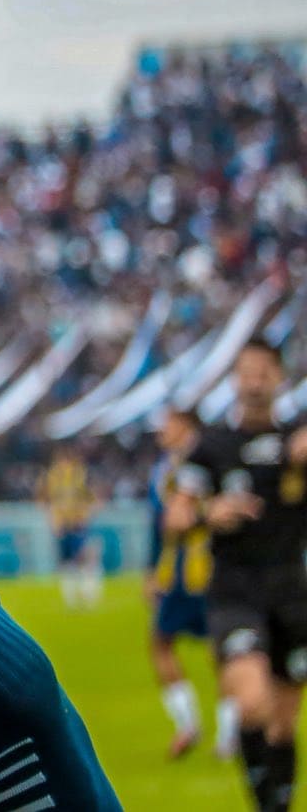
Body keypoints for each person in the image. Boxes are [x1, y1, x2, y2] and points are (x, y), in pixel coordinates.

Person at [170, 338, 307, 812]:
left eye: (262, 373)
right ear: (234, 379)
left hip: (292, 592)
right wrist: (211, 510)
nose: (253, 382)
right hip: (235, 592)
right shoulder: (211, 446)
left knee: (284, 724)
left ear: (279, 378)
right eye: (245, 373)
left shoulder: (298, 439)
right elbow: (176, 518)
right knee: (252, 703)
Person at [147, 407, 222, 760]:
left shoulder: (199, 464)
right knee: (167, 643)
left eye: (169, 424)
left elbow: (170, 522)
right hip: (177, 571)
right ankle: (207, 730)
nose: (163, 431)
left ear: (187, 427)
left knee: (220, 648)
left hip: (202, 569)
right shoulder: (166, 468)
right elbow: (158, 527)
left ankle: (209, 729)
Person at [43, 445, 102, 609]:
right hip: (63, 524)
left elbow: (93, 496)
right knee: (66, 560)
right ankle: (71, 596)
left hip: (78, 523)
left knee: (83, 557)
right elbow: (47, 499)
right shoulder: (53, 476)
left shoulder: (81, 474)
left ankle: (88, 592)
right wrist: (53, 519)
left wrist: (86, 515)